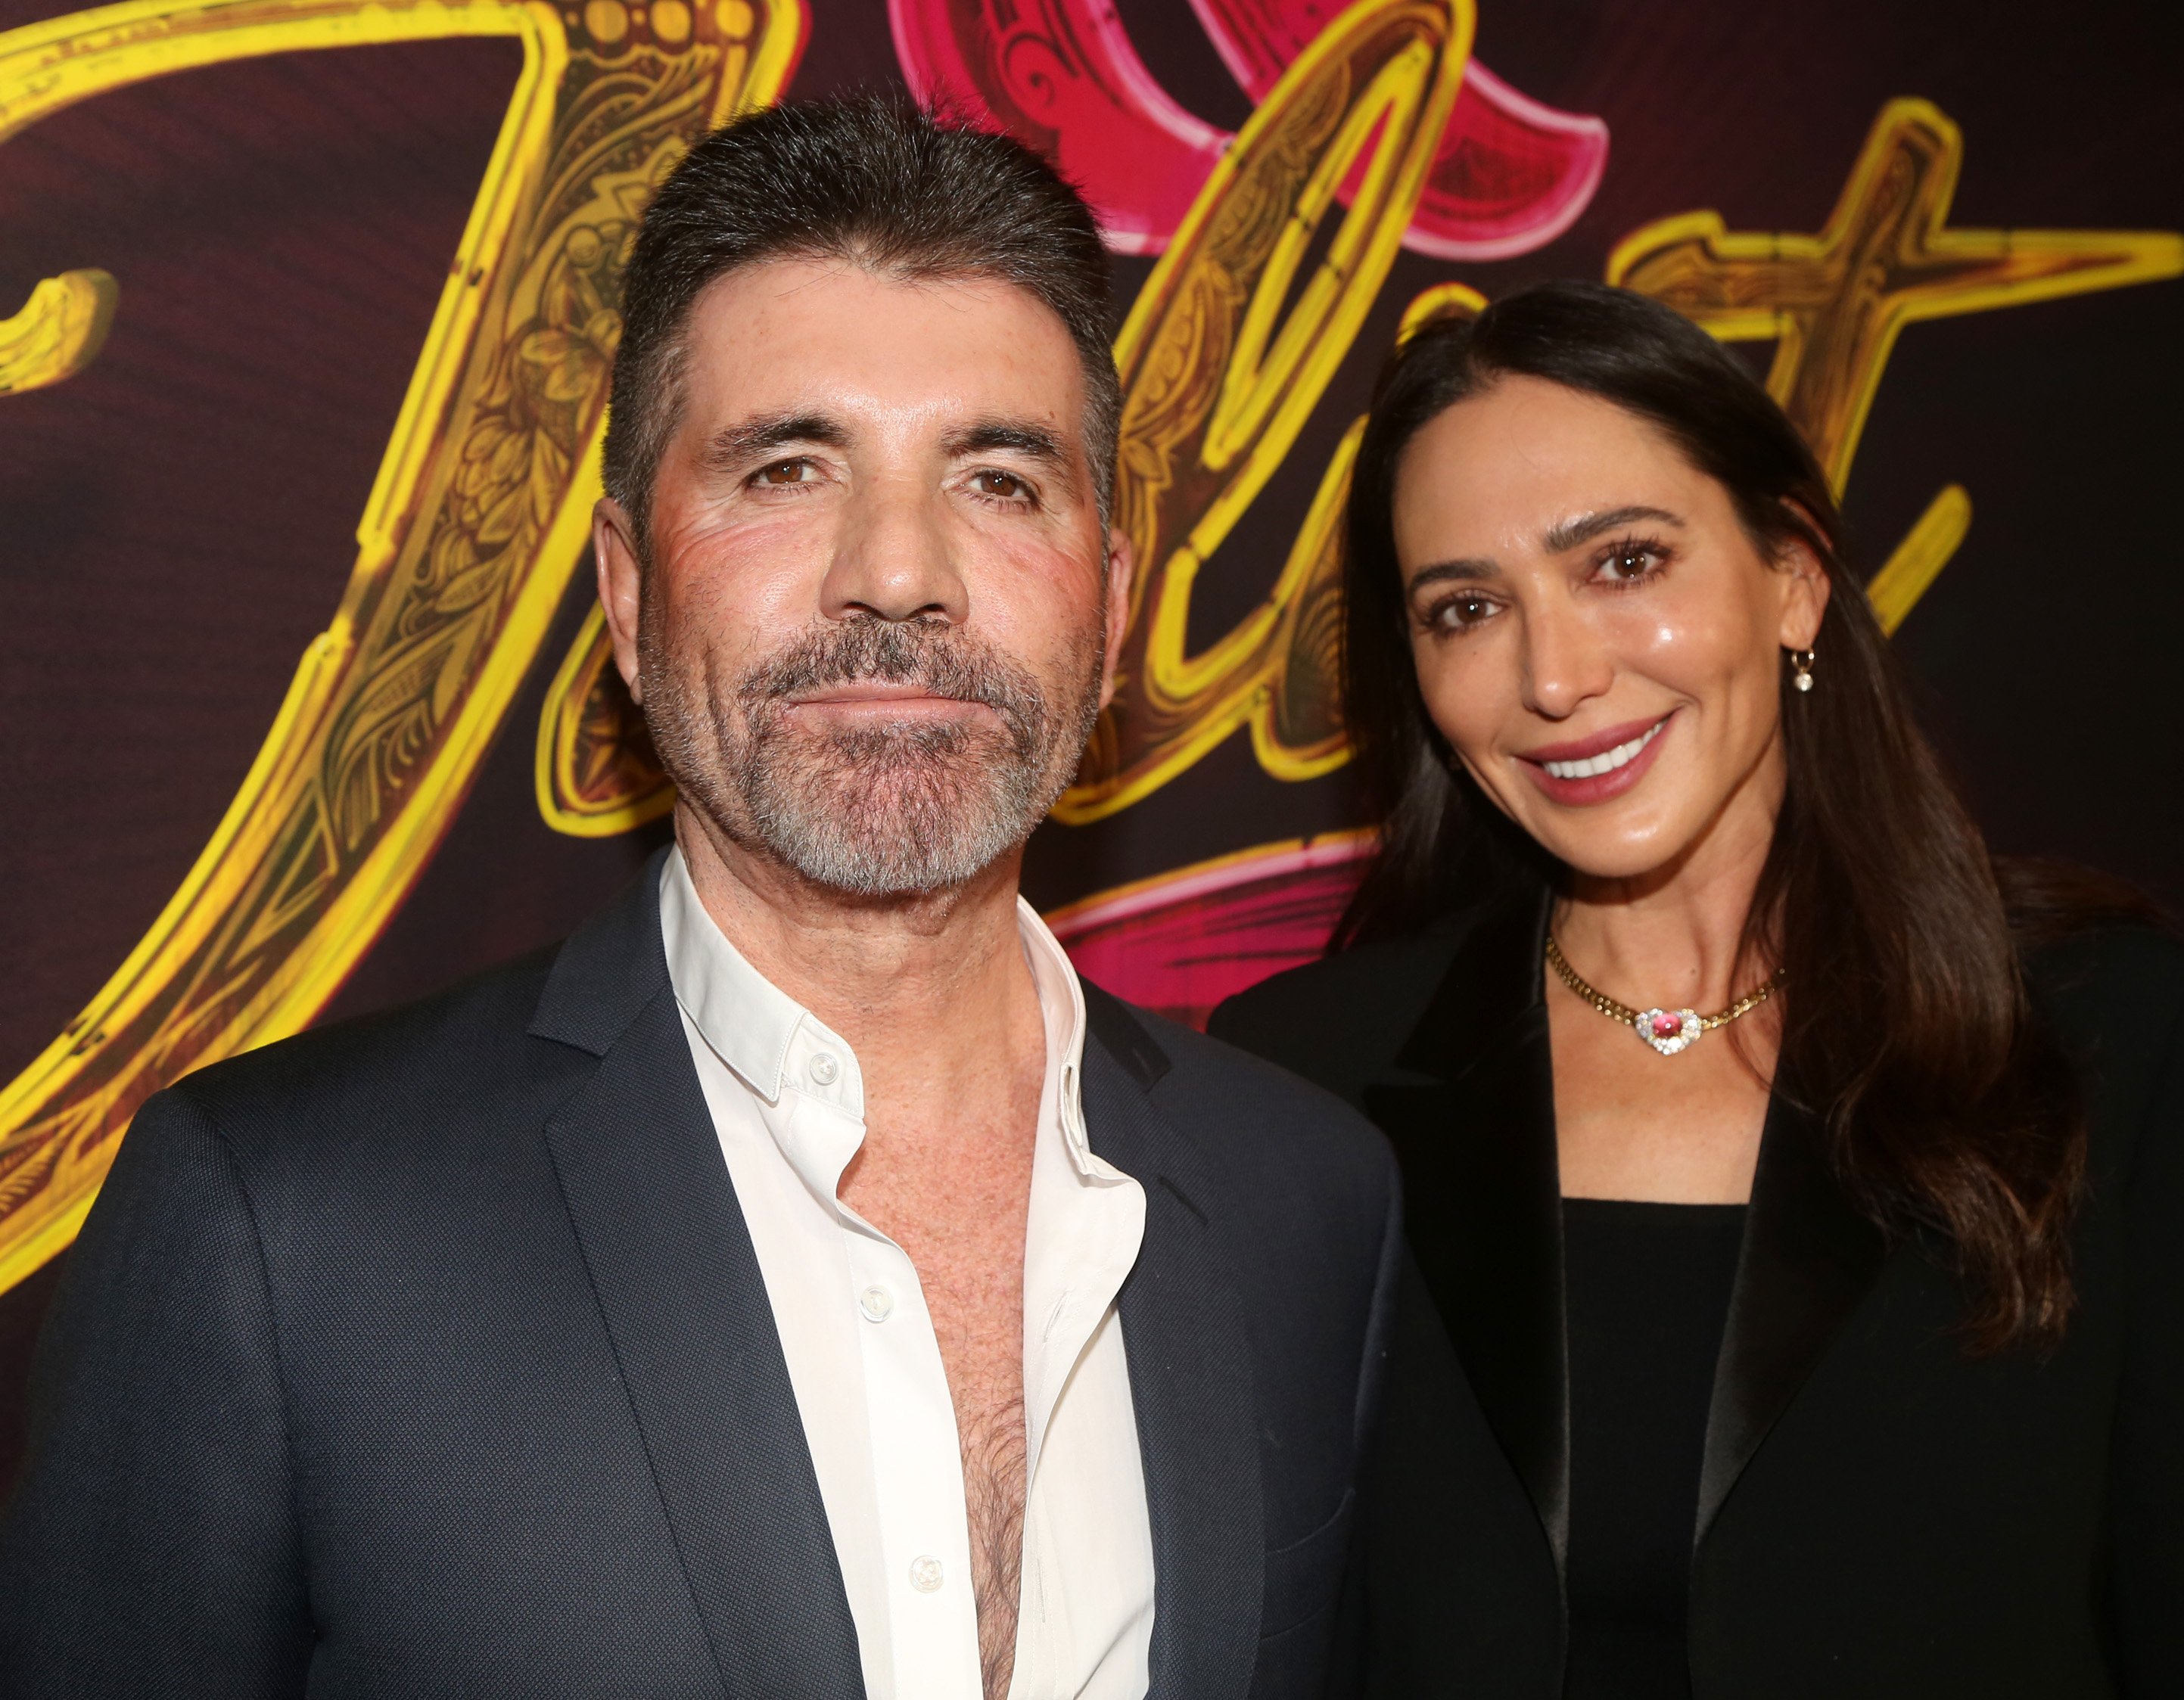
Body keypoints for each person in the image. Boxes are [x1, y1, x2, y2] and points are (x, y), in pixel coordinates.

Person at [0, 98, 1399, 1700]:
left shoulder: (1310, 1198)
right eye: (789, 466)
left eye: (1000, 479)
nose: (896, 569)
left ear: (1115, 599)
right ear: (623, 585)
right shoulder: (277, 1227)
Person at [1210, 281, 2184, 1698]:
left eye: (1625, 564)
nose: (1556, 674)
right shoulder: (1302, 1082)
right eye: (1467, 607)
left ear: (1794, 576)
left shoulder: (2105, 1036)